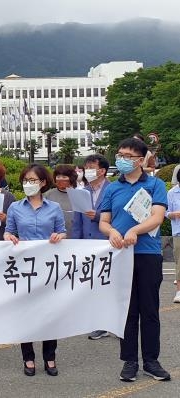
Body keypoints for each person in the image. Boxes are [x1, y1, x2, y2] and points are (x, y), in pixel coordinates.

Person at [99, 137, 171, 382]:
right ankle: (129, 361)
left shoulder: (155, 184)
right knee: (127, 311)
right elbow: (103, 221)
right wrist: (113, 232)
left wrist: (134, 231)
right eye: (119, 155)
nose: (121, 159)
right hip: (121, 256)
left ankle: (151, 360)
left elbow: (158, 217)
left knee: (149, 310)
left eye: (127, 156)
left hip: (148, 254)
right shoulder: (112, 187)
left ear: (140, 160)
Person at [3, 163, 66, 377]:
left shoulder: (54, 208)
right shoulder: (15, 208)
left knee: (49, 313)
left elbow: (63, 232)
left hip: (48, 267)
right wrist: (9, 237)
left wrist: (59, 237)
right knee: (26, 314)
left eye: (33, 180)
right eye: (25, 180)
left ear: (43, 183)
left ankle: (50, 357)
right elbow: (8, 232)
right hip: (24, 268)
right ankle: (28, 358)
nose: (28, 184)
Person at [72, 155, 113, 340]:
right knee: (94, 284)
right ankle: (100, 324)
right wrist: (76, 244)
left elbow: (118, 217)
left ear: (102, 170)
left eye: (91, 167)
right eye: (86, 167)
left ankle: (118, 323)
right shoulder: (82, 191)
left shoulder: (113, 189)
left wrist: (97, 216)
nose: (87, 170)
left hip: (109, 242)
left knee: (112, 285)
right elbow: (77, 222)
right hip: (88, 245)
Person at [43, 164, 77, 233]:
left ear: (71, 178)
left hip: (75, 236)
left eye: (64, 177)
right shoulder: (48, 194)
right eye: (58, 177)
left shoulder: (79, 195)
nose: (60, 179)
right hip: (54, 236)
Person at [167, 167, 180, 303]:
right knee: (179, 263)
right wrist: (173, 214)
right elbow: (165, 212)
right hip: (178, 232)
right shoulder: (172, 193)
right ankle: (179, 291)